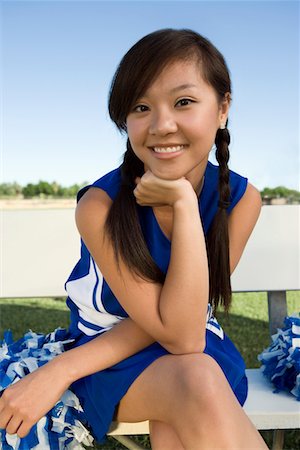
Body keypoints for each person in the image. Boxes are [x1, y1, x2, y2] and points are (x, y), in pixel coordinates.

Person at [0, 28, 268, 449]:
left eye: (183, 102)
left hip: (194, 347)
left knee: (189, 390)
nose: (162, 125)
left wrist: (182, 203)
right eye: (141, 107)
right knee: (195, 379)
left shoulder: (242, 199)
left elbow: (183, 331)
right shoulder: (100, 207)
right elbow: (174, 331)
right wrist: (64, 369)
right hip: (104, 355)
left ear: (222, 108)